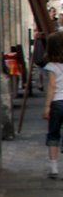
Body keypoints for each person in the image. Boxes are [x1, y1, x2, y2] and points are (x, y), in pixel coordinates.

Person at [42, 30, 63, 178]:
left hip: (57, 103)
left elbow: (51, 86)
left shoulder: (51, 67)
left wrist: (47, 106)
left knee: (53, 134)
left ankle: (54, 168)